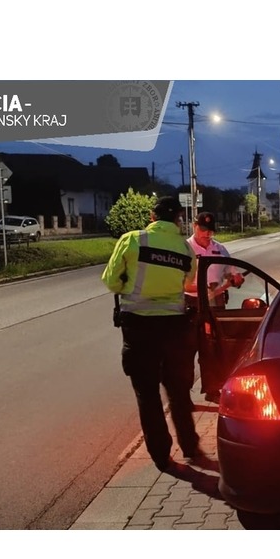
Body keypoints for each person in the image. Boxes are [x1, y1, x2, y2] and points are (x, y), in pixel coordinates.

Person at [101, 196, 203, 478]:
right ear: (179, 219)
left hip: (139, 328)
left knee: (147, 394)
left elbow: (111, 281)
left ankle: (161, 455)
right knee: (179, 390)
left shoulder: (133, 240)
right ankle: (190, 445)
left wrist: (128, 284)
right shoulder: (185, 248)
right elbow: (187, 282)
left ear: (152, 216)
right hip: (176, 328)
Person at [184, 212, 245, 403]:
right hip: (191, 303)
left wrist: (235, 278)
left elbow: (230, 272)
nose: (207, 234)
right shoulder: (185, 248)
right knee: (188, 349)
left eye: (210, 231)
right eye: (203, 230)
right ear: (194, 226)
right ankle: (183, 394)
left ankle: (212, 389)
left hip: (216, 304)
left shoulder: (220, 249)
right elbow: (178, 281)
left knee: (213, 347)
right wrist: (202, 288)